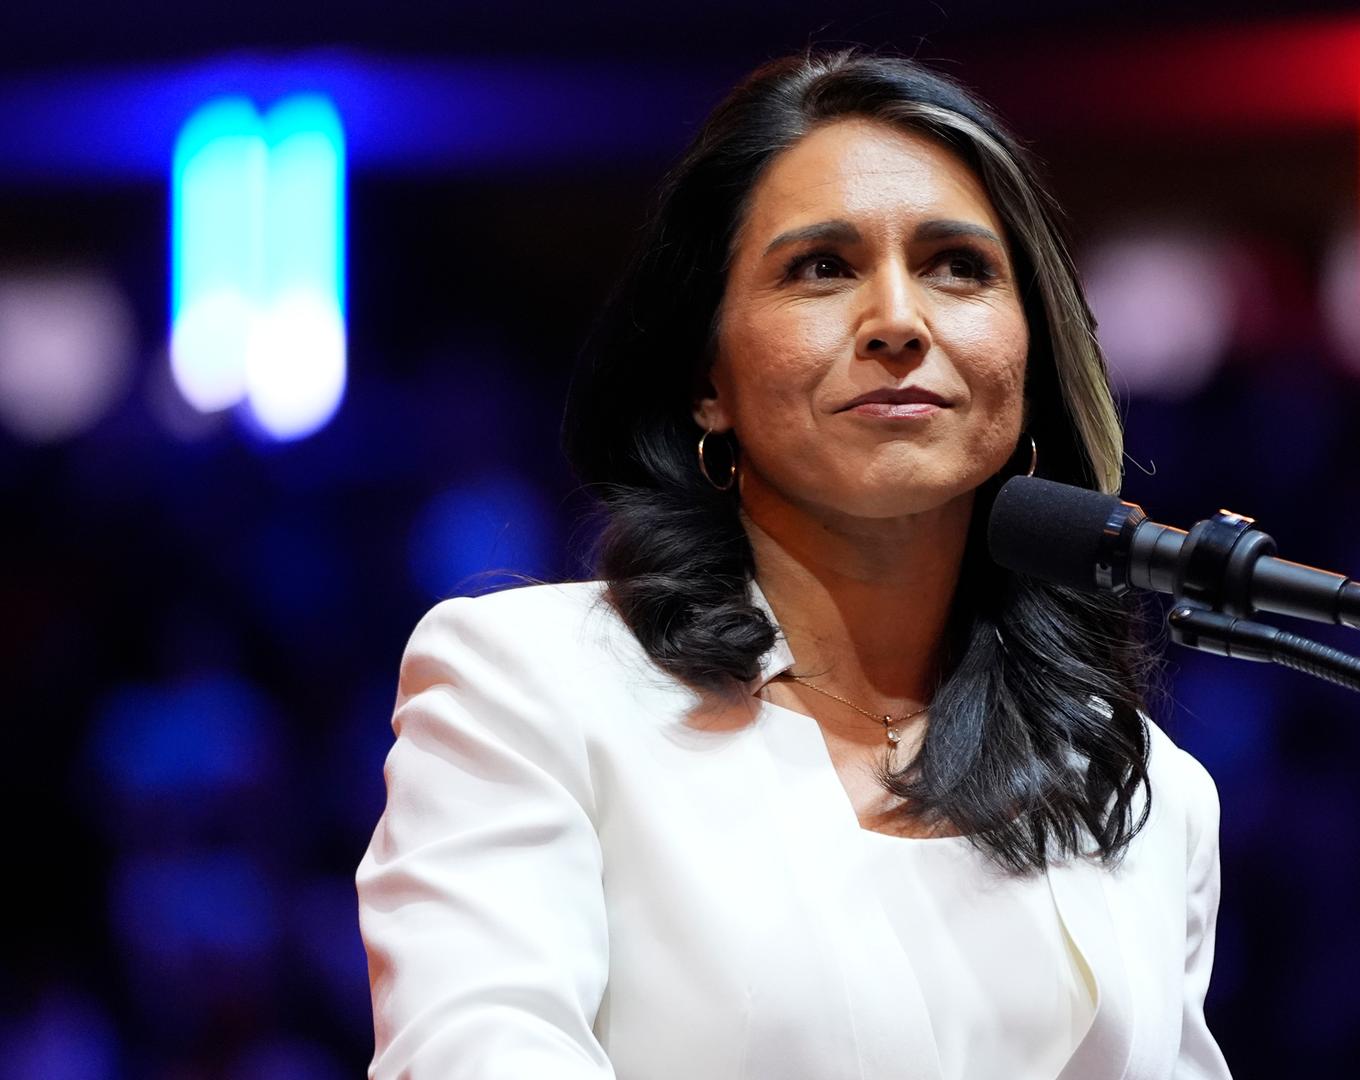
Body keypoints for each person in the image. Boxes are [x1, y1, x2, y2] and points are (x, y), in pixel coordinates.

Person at [355, 47, 1232, 1080]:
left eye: (960, 265)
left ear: (1029, 364)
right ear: (706, 381)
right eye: (822, 267)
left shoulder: (1142, 790)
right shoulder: (528, 684)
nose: (900, 321)